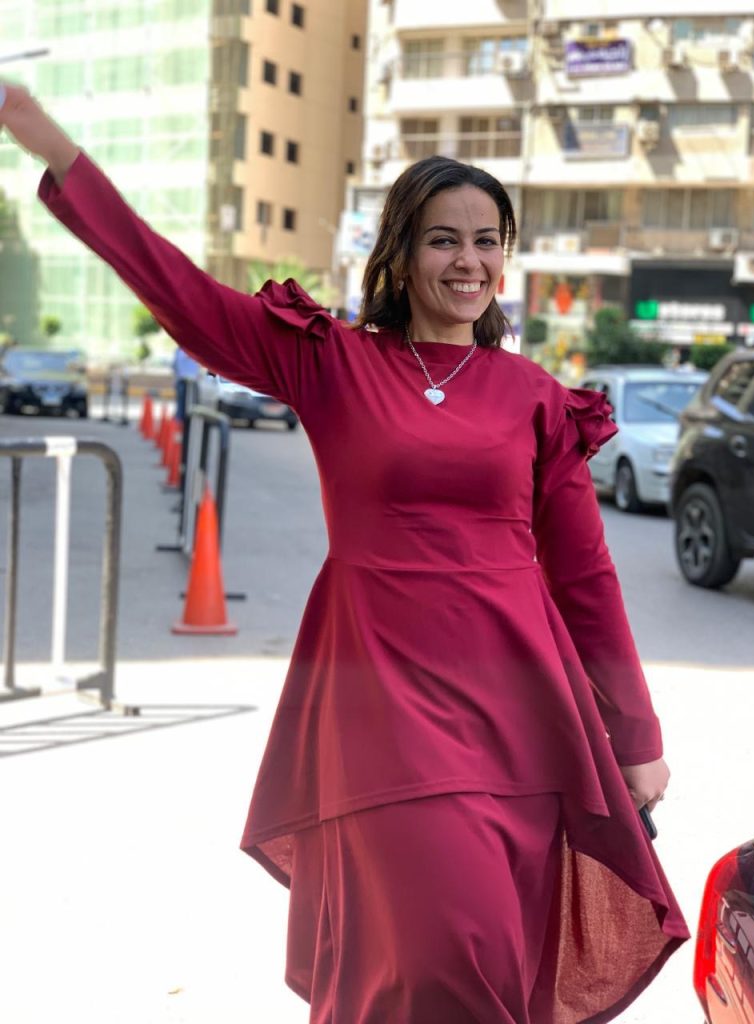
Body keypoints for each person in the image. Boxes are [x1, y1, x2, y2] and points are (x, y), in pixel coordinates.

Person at [1, 80, 689, 1023]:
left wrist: (636, 738)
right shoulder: (332, 360)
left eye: (488, 240)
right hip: (381, 707)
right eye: (443, 239)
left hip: (519, 718)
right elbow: (184, 294)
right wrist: (60, 154)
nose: (469, 261)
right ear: (399, 254)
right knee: (432, 952)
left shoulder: (536, 397)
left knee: (492, 952)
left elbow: (585, 579)